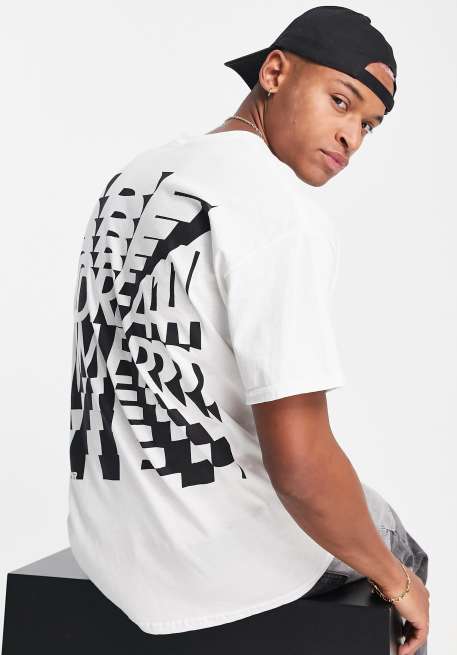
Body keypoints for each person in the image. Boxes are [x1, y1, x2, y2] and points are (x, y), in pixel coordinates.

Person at [67, 5, 429, 655]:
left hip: (107, 543)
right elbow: (301, 467)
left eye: (368, 125)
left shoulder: (134, 176)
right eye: (340, 101)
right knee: (398, 548)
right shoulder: (279, 213)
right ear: (274, 72)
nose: (351, 136)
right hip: (211, 570)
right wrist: (398, 582)